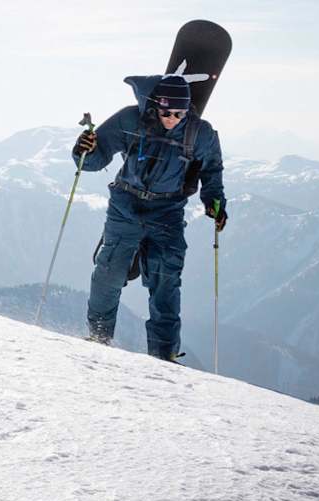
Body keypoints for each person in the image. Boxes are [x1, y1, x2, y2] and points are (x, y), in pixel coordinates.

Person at [72, 74, 227, 363]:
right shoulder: (130, 120)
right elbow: (95, 159)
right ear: (155, 105)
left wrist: (215, 203)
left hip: (168, 213)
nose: (172, 118)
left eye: (179, 113)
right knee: (110, 273)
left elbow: (212, 171)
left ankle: (164, 357)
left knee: (165, 282)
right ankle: (98, 337)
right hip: (125, 205)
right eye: (166, 112)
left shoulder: (201, 133)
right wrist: (83, 150)